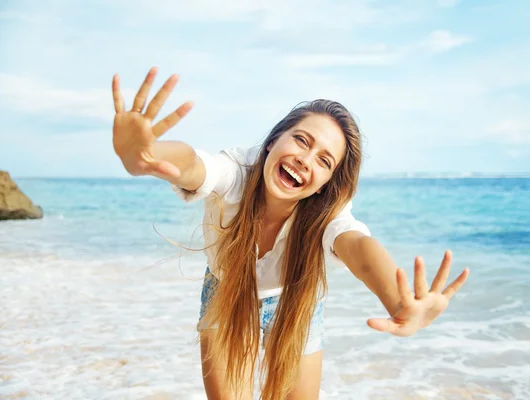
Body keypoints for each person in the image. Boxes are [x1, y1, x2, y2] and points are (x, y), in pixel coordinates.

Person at [111, 67, 470, 400]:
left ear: (325, 184)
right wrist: (145, 153)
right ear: (272, 141)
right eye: (301, 140)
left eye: (324, 160)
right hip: (226, 290)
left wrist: (399, 303)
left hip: (295, 302)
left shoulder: (326, 216)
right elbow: (192, 165)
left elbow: (359, 250)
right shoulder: (236, 172)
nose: (305, 158)